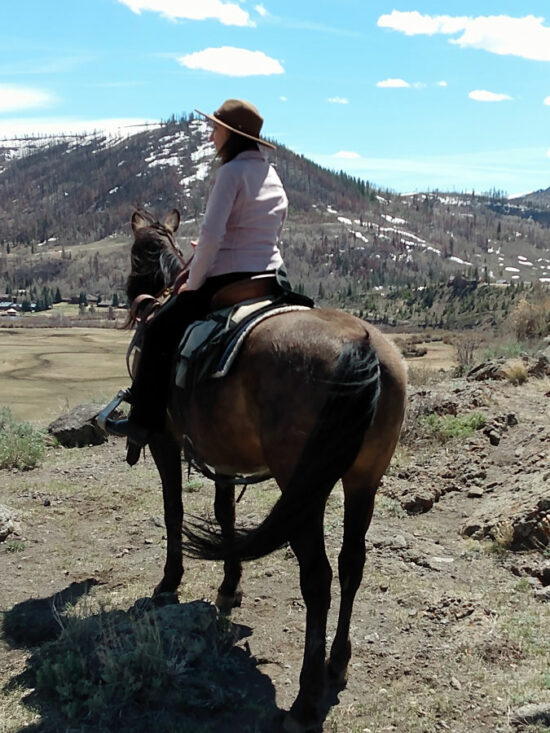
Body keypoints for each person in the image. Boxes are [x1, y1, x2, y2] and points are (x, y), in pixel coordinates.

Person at [106, 98, 289, 449]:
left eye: (216, 130)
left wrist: (193, 281)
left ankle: (143, 422)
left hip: (228, 279)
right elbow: (264, 229)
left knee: (158, 331)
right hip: (271, 278)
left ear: (232, 135)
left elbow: (213, 235)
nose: (211, 137)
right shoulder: (271, 175)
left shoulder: (230, 173)